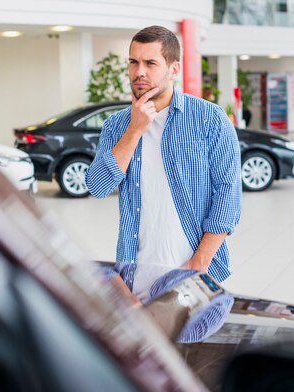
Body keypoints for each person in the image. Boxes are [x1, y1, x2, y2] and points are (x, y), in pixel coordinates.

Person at [86, 25, 242, 304]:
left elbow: (227, 194)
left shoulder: (210, 119)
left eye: (150, 63)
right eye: (133, 62)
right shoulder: (116, 126)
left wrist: (198, 265)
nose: (139, 72)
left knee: (191, 347)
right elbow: (97, 186)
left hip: (193, 273)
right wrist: (135, 130)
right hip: (133, 279)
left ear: (174, 69)